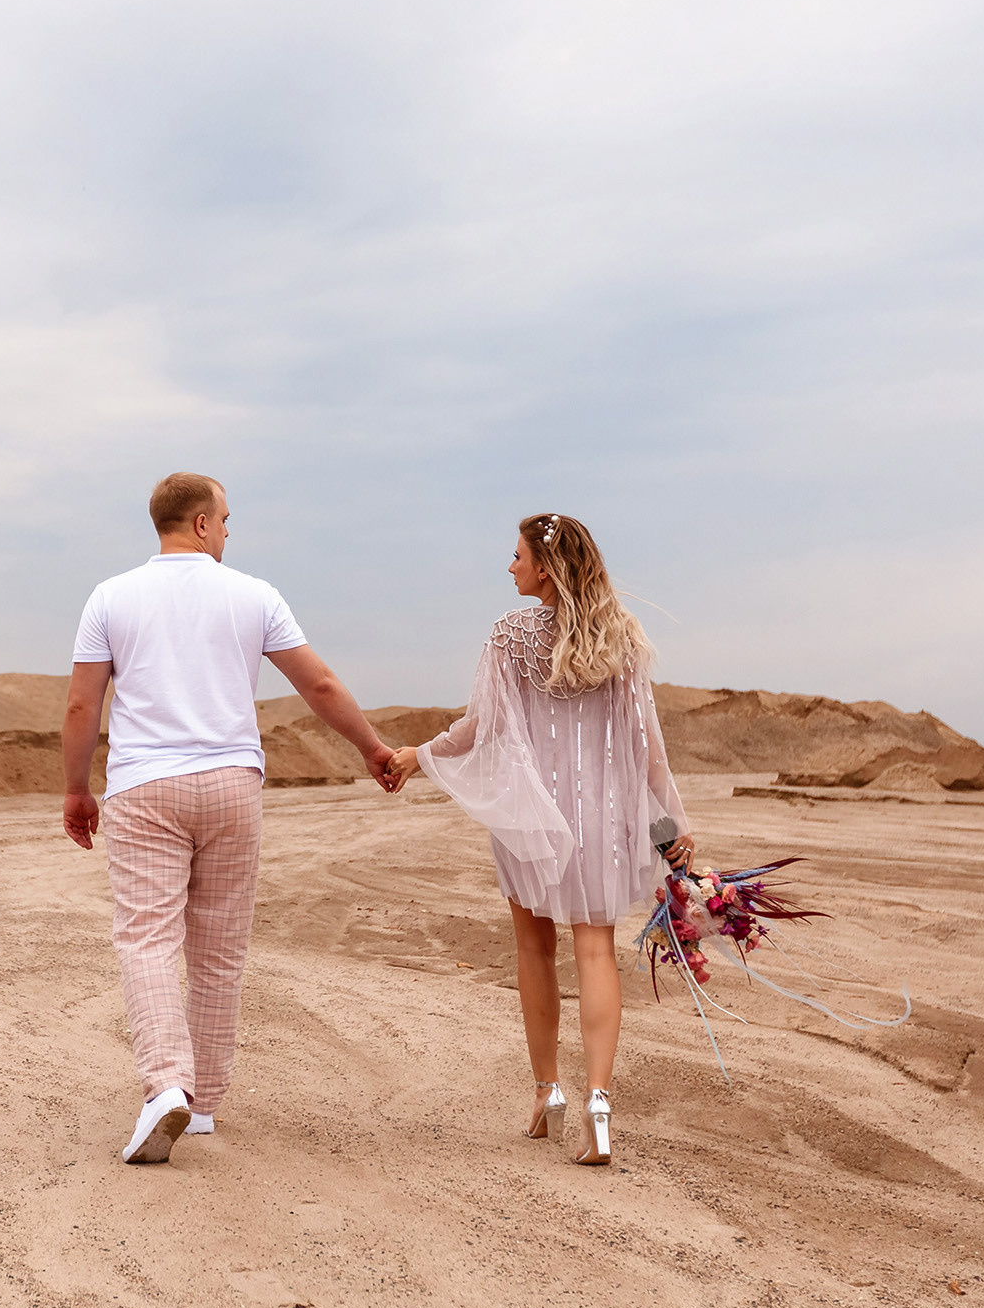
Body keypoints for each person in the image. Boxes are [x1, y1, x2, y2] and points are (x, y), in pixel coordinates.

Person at [63, 472, 402, 1165]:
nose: (227, 531)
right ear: (198, 524)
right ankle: (206, 1100)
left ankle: (166, 1086)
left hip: (145, 787)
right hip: (230, 787)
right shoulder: (254, 595)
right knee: (218, 950)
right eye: (224, 519)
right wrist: (371, 748)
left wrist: (76, 790)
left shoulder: (110, 597)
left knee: (147, 938)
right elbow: (319, 684)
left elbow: (81, 707)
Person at [386, 513, 694, 1165]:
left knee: (534, 948)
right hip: (603, 823)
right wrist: (672, 829)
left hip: (530, 818)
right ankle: (600, 1104)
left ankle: (548, 1091)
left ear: (547, 568)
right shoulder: (622, 639)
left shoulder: (510, 636)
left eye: (518, 555)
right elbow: (648, 753)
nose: (510, 566)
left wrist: (419, 756)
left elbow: (481, 728)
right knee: (595, 953)